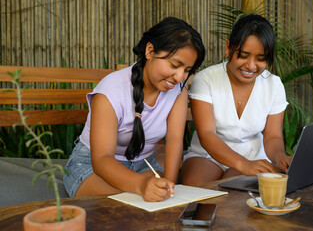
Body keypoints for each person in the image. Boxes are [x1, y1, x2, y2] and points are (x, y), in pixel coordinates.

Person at [63, 17, 205, 201]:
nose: (179, 77)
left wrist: (168, 186)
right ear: (150, 50)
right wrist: (141, 185)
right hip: (90, 166)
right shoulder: (111, 91)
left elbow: (174, 140)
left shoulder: (178, 90)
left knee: (158, 203)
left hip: (143, 165)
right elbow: (102, 160)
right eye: (174, 65)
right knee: (127, 204)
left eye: (187, 70)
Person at [181, 14, 291, 186]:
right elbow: (207, 135)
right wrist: (242, 164)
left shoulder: (274, 85)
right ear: (228, 48)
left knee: (233, 196)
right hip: (207, 154)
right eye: (243, 55)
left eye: (261, 59)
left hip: (253, 157)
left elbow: (273, 137)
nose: (251, 66)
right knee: (196, 192)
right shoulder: (206, 79)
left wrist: (280, 157)